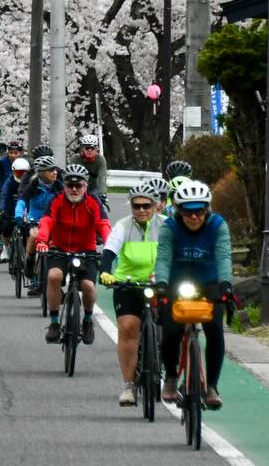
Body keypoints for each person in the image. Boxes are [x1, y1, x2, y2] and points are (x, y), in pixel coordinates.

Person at [154, 180, 234, 410]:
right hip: (176, 281)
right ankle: (170, 378)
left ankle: (212, 386)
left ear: (207, 209)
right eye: (188, 211)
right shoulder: (170, 227)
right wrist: (161, 284)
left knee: (215, 330)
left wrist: (226, 284)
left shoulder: (218, 225)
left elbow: (223, 257)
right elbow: (163, 257)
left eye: (199, 210)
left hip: (208, 282)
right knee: (171, 330)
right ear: (179, 210)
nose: (194, 217)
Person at [98, 176, 168, 406]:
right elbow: (109, 251)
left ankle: (170, 375)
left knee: (173, 328)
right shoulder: (123, 226)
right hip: (128, 284)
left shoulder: (167, 226)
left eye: (146, 205)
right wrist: (106, 272)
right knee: (128, 328)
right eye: (136, 206)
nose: (141, 210)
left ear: (155, 205)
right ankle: (129, 385)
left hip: (161, 284)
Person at [35, 164, 111, 345]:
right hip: (60, 249)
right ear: (64, 185)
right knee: (53, 277)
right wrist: (42, 241)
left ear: (85, 186)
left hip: (86, 251)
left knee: (88, 287)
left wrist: (109, 243)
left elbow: (103, 224)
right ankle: (54, 323)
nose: (74, 189)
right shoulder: (56, 200)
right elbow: (46, 221)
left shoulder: (93, 202)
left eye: (79, 185)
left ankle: (87, 321)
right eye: (70, 185)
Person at [15, 156, 60, 294]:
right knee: (34, 236)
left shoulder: (59, 186)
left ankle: (48, 273)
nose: (55, 173)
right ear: (41, 172)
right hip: (35, 218)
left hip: (52, 219)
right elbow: (22, 201)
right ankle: (29, 263)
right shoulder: (33, 185)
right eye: (50, 170)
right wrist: (18, 216)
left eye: (55, 170)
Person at [0, 157, 30, 263]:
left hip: (26, 209)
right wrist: (1, 210)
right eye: (18, 172)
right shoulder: (9, 181)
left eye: (23, 173)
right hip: (10, 207)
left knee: (28, 230)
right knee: (5, 227)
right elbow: (4, 195)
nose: (21, 175)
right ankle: (6, 248)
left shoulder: (31, 182)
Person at [73, 133, 108, 210]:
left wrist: (103, 193)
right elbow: (70, 175)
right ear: (82, 148)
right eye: (87, 148)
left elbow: (102, 178)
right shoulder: (76, 158)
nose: (89, 150)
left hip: (93, 187)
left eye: (92, 148)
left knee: (96, 202)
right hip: (77, 185)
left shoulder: (100, 159)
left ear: (96, 149)